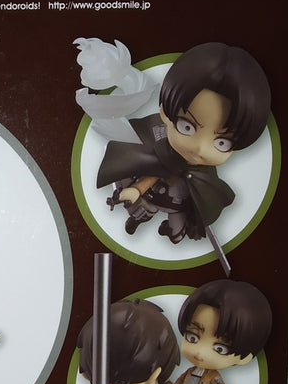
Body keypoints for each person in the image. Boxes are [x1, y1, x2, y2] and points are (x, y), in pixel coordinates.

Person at [96, 42, 271, 244]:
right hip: (158, 194)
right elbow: (154, 173)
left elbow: (207, 196)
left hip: (179, 203)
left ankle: (172, 231)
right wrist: (136, 189)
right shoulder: (164, 153)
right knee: (144, 209)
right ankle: (139, 219)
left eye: (222, 142)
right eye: (187, 127)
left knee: (177, 232)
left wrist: (199, 212)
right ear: (165, 112)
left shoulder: (207, 174)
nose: (200, 148)